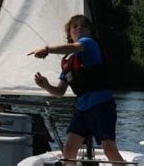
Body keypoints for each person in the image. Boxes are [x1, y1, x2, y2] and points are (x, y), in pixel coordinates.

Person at [28, 15, 124, 162]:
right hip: (82, 110)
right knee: (69, 149)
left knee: (108, 147)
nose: (79, 28)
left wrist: (47, 49)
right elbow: (59, 92)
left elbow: (75, 47)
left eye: (84, 26)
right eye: (75, 26)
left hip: (101, 106)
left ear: (90, 32)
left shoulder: (88, 43)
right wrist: (46, 85)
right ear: (70, 34)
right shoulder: (68, 62)